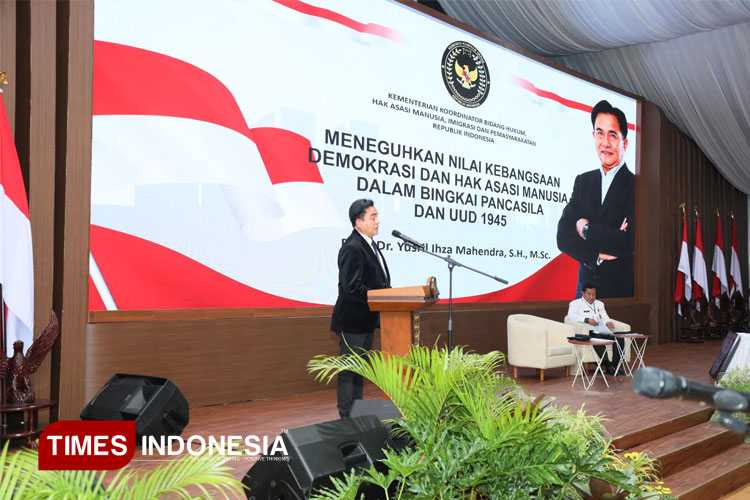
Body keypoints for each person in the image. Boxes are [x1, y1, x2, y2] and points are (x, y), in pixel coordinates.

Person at [557, 100, 635, 299]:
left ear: (624, 142)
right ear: (593, 136)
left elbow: (627, 242)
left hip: (619, 292)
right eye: (600, 133)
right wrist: (596, 255)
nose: (605, 143)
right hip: (584, 293)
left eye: (612, 135)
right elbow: (563, 236)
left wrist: (585, 229)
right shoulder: (583, 182)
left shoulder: (636, 186)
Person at [330, 199, 390, 418]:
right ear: (358, 222)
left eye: (377, 216)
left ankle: (356, 412)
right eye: (373, 217)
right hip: (353, 321)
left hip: (365, 320)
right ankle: (347, 416)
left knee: (359, 370)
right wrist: (381, 295)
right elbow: (351, 287)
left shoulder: (368, 245)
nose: (378, 221)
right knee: (349, 369)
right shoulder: (353, 248)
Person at [567, 283, 625, 375]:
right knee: (597, 337)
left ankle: (616, 366)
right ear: (583, 293)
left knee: (619, 338)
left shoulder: (599, 304)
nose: (591, 297)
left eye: (593, 294)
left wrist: (607, 322)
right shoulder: (575, 304)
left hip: (602, 330)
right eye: (589, 294)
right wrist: (587, 320)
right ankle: (608, 366)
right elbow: (571, 316)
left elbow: (605, 316)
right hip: (589, 331)